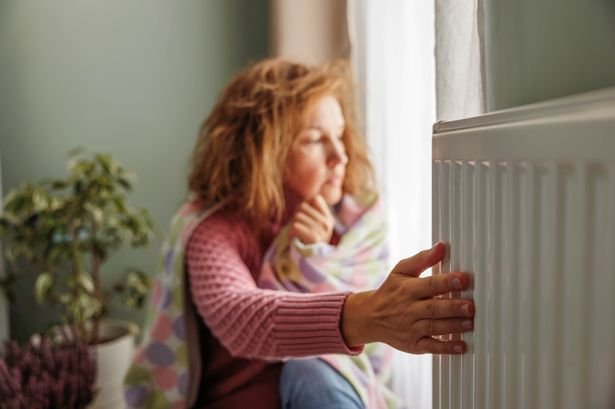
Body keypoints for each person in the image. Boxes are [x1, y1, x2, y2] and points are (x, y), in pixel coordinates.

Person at [124, 58, 474, 409]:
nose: (341, 156)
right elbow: (238, 316)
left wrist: (316, 255)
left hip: (320, 394)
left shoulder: (356, 223)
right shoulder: (214, 230)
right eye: (314, 140)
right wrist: (373, 314)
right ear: (263, 153)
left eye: (339, 136)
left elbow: (368, 362)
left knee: (313, 368)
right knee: (310, 368)